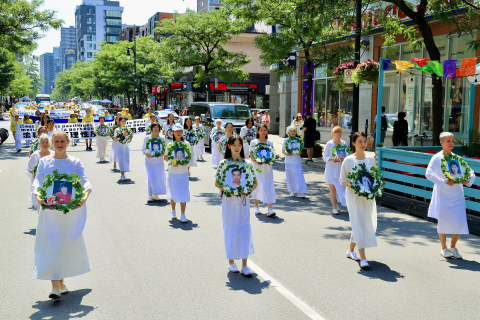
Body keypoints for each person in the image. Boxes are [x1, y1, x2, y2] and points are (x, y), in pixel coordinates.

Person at [31, 130, 92, 299]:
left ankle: (61, 283)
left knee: (64, 246)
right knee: (52, 243)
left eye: (62, 141)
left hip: (68, 212)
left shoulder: (75, 162)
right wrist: (38, 196)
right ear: (52, 143)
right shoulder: (44, 162)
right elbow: (37, 181)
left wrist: (85, 196)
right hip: (50, 212)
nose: (59, 144)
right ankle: (54, 287)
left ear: (67, 142)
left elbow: (84, 181)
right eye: (56, 141)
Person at [426, 132, 475, 259]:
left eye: (453, 141)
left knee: (459, 220)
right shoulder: (436, 158)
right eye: (448, 141)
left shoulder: (457, 158)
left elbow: (470, 172)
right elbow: (429, 173)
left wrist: (467, 180)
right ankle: (443, 247)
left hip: (457, 194)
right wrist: (444, 181)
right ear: (441, 143)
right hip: (443, 193)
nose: (451, 143)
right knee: (443, 220)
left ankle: (452, 246)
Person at [215, 135, 257, 276]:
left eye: (239, 145)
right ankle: (231, 262)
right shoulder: (224, 163)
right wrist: (230, 190)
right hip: (229, 202)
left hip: (243, 202)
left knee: (244, 228)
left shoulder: (247, 163)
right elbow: (217, 183)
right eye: (234, 145)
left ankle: (245, 265)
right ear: (229, 146)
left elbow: (255, 182)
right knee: (230, 228)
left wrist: (246, 191)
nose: (237, 147)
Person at [340, 132, 377, 269]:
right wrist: (356, 187)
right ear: (354, 143)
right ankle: (363, 258)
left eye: (364, 141)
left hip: (367, 196)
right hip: (354, 196)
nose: (363, 144)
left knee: (361, 221)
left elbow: (374, 177)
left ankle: (350, 250)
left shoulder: (371, 159)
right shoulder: (349, 160)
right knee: (359, 222)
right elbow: (342, 180)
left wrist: (373, 189)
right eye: (359, 141)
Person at [164, 124, 191, 223]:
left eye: (180, 131)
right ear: (173, 133)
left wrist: (186, 162)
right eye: (176, 131)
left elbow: (189, 156)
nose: (178, 133)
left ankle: (183, 214)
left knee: (183, 192)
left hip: (183, 172)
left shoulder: (187, 144)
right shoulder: (169, 144)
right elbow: (165, 157)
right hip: (173, 172)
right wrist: (171, 162)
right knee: (173, 191)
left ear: (182, 133)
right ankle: (173, 211)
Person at [250, 123, 276, 217]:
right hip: (257, 168)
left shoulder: (270, 142)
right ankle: (256, 206)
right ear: (257, 131)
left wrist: (271, 160)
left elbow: (272, 153)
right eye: (261, 130)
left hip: (267, 168)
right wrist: (257, 162)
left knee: (269, 185)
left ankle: (270, 208)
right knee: (257, 185)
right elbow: (251, 155)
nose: (263, 132)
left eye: (265, 130)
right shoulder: (254, 142)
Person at [323, 126, 348, 214]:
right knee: (332, 188)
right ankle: (334, 207)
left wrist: (344, 158)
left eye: (340, 132)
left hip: (341, 170)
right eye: (336, 132)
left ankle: (346, 204)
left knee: (342, 188)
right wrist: (332, 158)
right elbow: (325, 156)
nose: (338, 133)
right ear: (332, 134)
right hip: (331, 169)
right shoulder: (329, 144)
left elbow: (347, 155)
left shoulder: (344, 144)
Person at [25, 133, 53, 210]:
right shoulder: (35, 155)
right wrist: (35, 176)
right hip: (39, 182)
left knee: (51, 203)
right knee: (40, 205)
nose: (45, 144)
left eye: (46, 142)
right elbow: (29, 168)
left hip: (51, 182)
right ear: (39, 143)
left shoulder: (53, 154)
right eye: (43, 142)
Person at [142, 123, 167, 202]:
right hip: (150, 161)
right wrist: (147, 154)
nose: (156, 129)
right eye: (154, 127)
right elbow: (143, 149)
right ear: (151, 129)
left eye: (157, 127)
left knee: (157, 177)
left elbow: (165, 150)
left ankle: (155, 194)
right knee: (151, 177)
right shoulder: (147, 138)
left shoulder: (162, 139)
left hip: (159, 161)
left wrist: (163, 153)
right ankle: (150, 194)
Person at [282, 126, 308, 198]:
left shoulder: (298, 140)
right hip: (289, 161)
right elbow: (283, 151)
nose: (293, 133)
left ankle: (300, 191)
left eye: (294, 131)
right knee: (290, 176)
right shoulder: (286, 140)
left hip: (297, 160)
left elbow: (301, 149)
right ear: (288, 132)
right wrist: (287, 154)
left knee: (298, 175)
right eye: (291, 131)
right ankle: (292, 190)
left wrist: (300, 152)